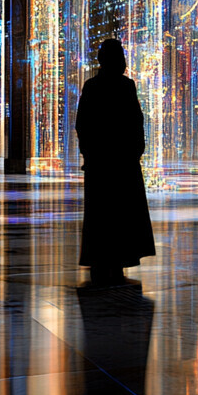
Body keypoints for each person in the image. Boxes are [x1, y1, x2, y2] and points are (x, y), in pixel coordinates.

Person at [76, 39, 156, 285]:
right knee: (121, 212)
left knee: (101, 213)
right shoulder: (125, 86)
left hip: (101, 162)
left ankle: (101, 258)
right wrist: (134, 152)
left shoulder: (92, 86)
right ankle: (119, 258)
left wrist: (90, 154)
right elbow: (135, 122)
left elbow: (84, 124)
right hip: (122, 162)